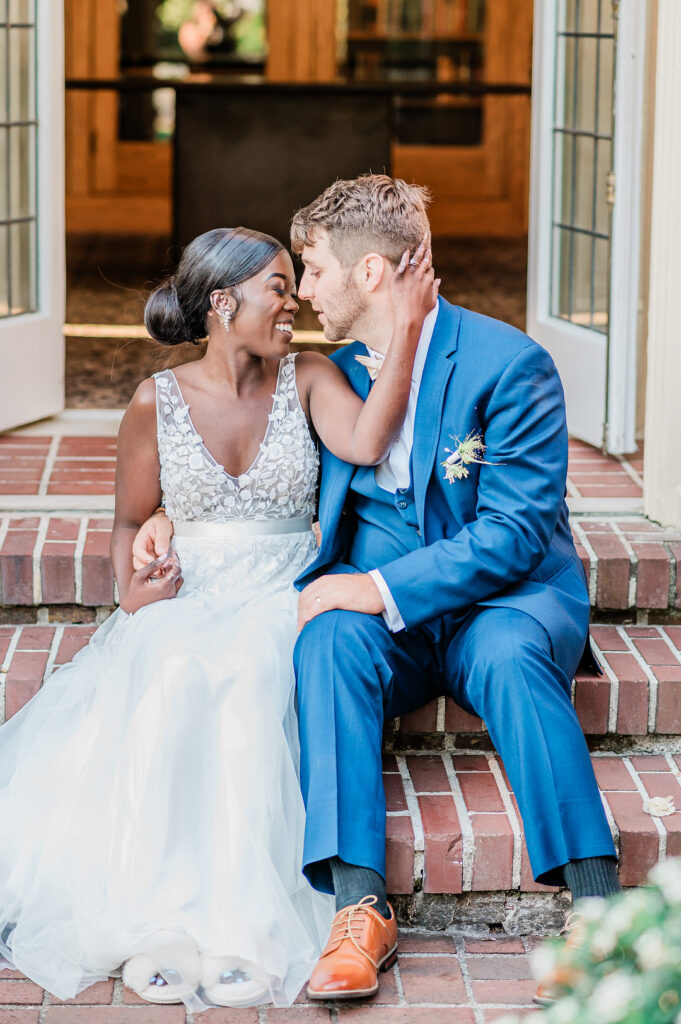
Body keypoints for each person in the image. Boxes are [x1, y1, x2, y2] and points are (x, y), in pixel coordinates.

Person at [136, 177, 621, 1007]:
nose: (304, 291)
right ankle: (357, 908)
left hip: (501, 600)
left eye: (314, 270)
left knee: (507, 656)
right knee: (323, 639)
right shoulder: (325, 374)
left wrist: (380, 586)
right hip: (384, 620)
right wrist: (170, 518)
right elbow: (252, 466)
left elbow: (509, 535)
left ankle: (599, 910)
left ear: (368, 275)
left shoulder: (509, 365)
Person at [0, 225, 438, 1011]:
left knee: (253, 675)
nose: (292, 302)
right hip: (188, 593)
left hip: (282, 587)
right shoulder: (154, 401)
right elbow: (129, 524)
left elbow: (369, 441)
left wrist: (405, 325)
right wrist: (136, 592)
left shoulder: (307, 377)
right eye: (277, 286)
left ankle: (240, 930)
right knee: (168, 669)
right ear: (222, 301)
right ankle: (163, 920)